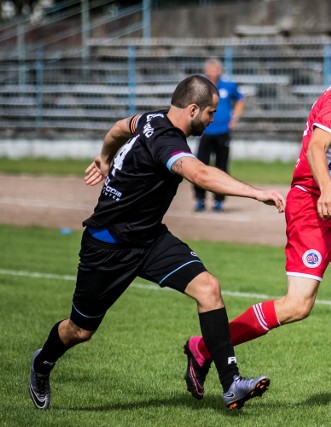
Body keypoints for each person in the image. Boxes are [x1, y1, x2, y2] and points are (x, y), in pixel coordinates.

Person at [29, 75, 286, 411]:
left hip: (150, 239)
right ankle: (42, 363)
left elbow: (121, 126)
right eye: (209, 113)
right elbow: (201, 175)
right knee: (79, 331)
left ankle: (231, 383)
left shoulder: (152, 118)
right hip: (108, 246)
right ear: (193, 109)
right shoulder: (167, 141)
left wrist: (104, 156)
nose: (211, 120)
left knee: (208, 288)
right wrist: (256, 192)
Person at [183, 41, 331, 402]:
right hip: (312, 210)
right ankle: (204, 347)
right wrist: (326, 189)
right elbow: (316, 147)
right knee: (297, 306)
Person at [193, 58, 246, 212]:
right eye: (210, 68)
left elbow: (241, 99)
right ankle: (200, 199)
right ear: (206, 70)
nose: (213, 71)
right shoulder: (201, 87)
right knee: (200, 166)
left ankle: (218, 201)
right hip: (205, 132)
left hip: (223, 132)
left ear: (220, 70)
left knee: (221, 167)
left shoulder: (228, 86)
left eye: (216, 68)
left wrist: (234, 118)